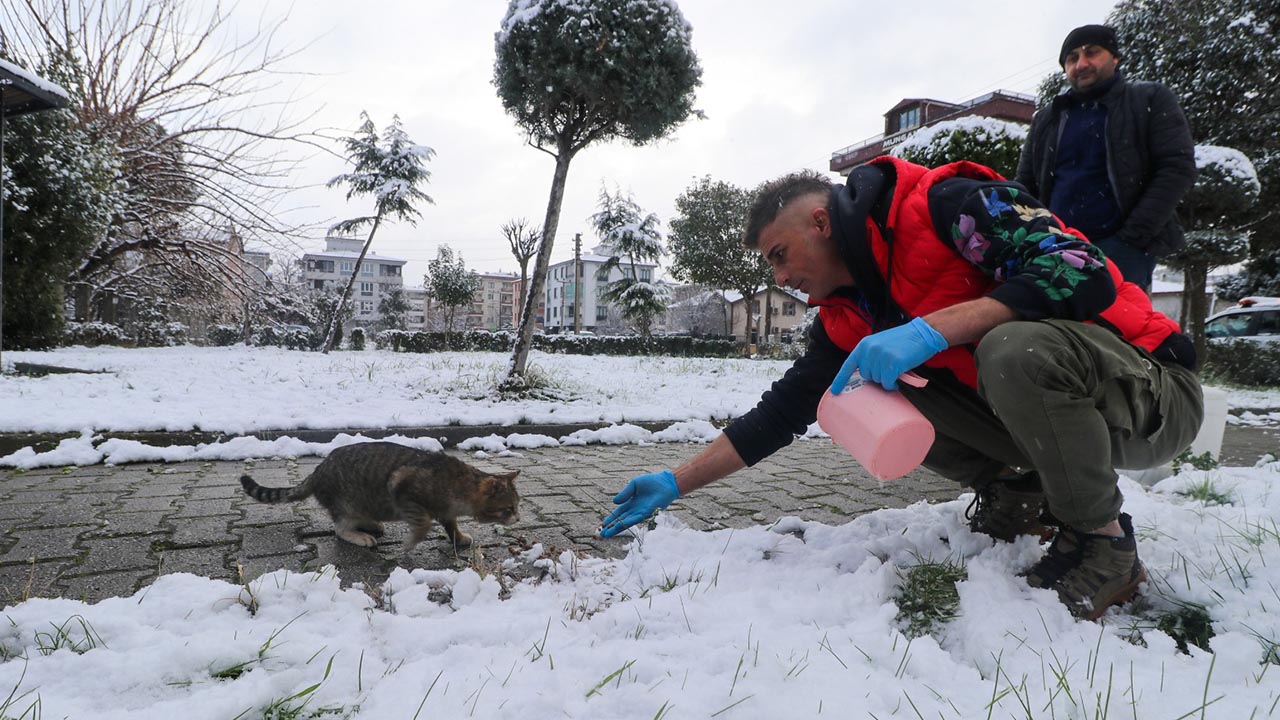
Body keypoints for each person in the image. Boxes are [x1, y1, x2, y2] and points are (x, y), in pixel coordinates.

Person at [599, 155, 1204, 621]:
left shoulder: (948, 206)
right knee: (857, 392)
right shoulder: (846, 314)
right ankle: (1020, 493)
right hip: (1064, 415)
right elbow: (781, 413)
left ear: (821, 221)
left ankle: (1105, 545)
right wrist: (675, 482)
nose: (781, 277)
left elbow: (1083, 269)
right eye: (772, 268)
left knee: (1010, 347)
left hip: (1151, 394)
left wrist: (931, 330)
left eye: (781, 255)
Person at [1016, 23, 1197, 293]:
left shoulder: (1147, 99)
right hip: (1055, 246)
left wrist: (1132, 237)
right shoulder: (1049, 117)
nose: (1081, 64)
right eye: (1072, 58)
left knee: (1118, 330)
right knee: (1054, 329)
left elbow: (1176, 166)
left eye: (1092, 52)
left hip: (1123, 250)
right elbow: (1025, 184)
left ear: (1114, 57)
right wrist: (1033, 234)